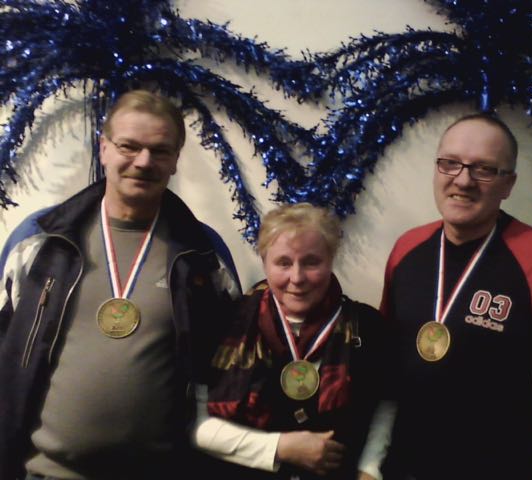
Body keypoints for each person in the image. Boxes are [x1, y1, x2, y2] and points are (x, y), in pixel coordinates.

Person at [0, 90, 240, 480]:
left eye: (160, 150)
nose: (143, 162)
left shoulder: (204, 254)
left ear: (176, 159)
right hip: (45, 473)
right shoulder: (38, 242)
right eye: (129, 146)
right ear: (104, 148)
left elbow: (227, 376)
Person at [380, 113, 532, 480]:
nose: (462, 180)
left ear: (508, 184)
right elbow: (383, 370)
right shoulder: (407, 248)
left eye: (484, 169)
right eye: (450, 163)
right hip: (405, 468)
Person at [194, 203, 395, 480]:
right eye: (283, 263)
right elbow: (199, 427)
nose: (297, 278)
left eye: (312, 262)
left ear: (331, 259)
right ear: (264, 261)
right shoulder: (228, 323)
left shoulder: (367, 326)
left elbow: (384, 405)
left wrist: (370, 469)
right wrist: (281, 448)